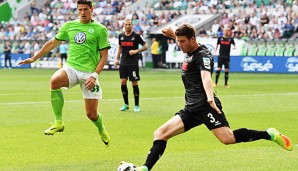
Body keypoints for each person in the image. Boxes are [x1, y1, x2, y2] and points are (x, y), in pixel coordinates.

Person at [122, 24, 293, 171]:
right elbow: (183, 39)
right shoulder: (188, 47)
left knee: (228, 139)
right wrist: (173, 34)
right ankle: (144, 168)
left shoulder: (203, 56)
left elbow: (206, 78)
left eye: (182, 41)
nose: (179, 44)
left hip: (206, 106)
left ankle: (269, 134)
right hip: (190, 108)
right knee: (160, 133)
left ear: (192, 39)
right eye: (178, 41)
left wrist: (210, 98)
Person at [18, 0, 110, 146]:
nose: (82, 13)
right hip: (72, 68)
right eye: (80, 10)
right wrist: (35, 58)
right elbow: (52, 43)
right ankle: (58, 122)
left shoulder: (100, 29)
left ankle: (101, 128)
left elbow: (104, 56)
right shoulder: (69, 26)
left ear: (91, 9)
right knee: (54, 81)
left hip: (89, 73)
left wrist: (94, 75)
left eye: (85, 9)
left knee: (91, 115)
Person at [114, 19, 148, 112]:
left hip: (133, 63)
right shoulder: (121, 36)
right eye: (126, 24)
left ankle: (136, 105)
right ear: (124, 25)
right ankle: (126, 104)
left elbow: (146, 46)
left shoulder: (136, 36)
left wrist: (136, 51)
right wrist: (116, 58)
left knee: (134, 83)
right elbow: (120, 47)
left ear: (132, 25)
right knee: (123, 82)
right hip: (123, 63)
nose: (127, 26)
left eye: (129, 24)